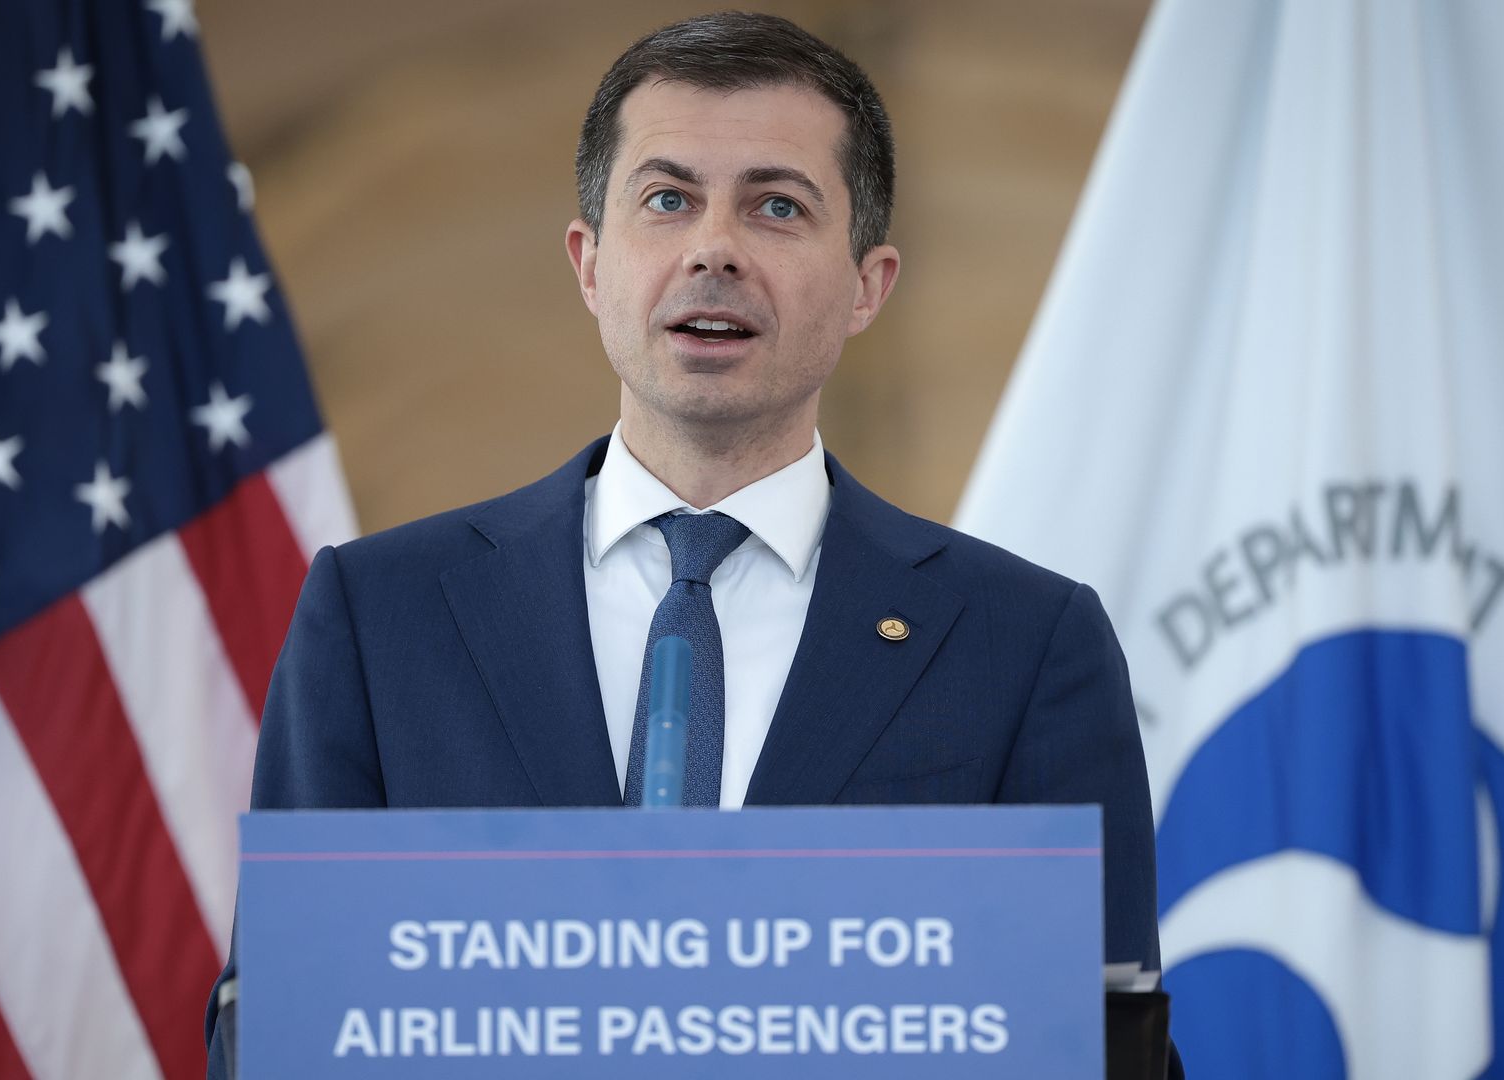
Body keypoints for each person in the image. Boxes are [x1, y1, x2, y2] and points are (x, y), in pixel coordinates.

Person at [207, 11, 1176, 1076]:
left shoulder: (1025, 642)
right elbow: (280, 1033)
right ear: (589, 263)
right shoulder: (378, 613)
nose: (714, 247)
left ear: (868, 285)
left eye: (777, 205)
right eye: (667, 200)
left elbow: (1097, 1043)